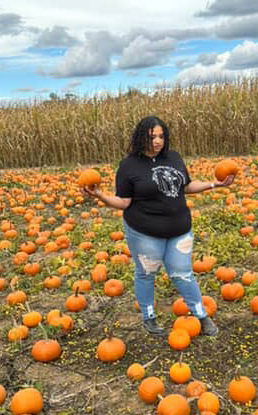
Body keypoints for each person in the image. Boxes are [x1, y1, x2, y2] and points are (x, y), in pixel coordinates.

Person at [83, 115, 235, 336]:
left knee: (182, 273)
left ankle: (201, 315)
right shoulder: (129, 166)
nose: (157, 141)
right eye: (152, 136)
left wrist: (215, 184)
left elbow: (187, 185)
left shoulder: (173, 157)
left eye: (161, 136)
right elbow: (124, 202)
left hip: (180, 230)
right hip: (144, 233)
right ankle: (149, 317)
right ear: (140, 136)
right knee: (146, 273)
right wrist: (100, 196)